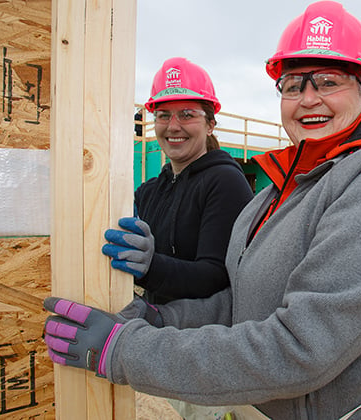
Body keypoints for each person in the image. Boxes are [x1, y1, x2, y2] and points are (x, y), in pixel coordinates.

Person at [44, 2, 361, 418]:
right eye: (294, 86)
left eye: (328, 82)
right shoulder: (278, 191)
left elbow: (300, 349)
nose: (309, 99)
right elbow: (240, 304)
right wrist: (159, 317)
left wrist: (127, 350)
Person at [102, 57, 254, 305]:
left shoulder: (225, 183)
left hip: (201, 338)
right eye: (163, 115)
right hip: (155, 329)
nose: (173, 126)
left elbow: (217, 277)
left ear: (210, 125)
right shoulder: (149, 191)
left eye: (186, 114)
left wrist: (151, 267)